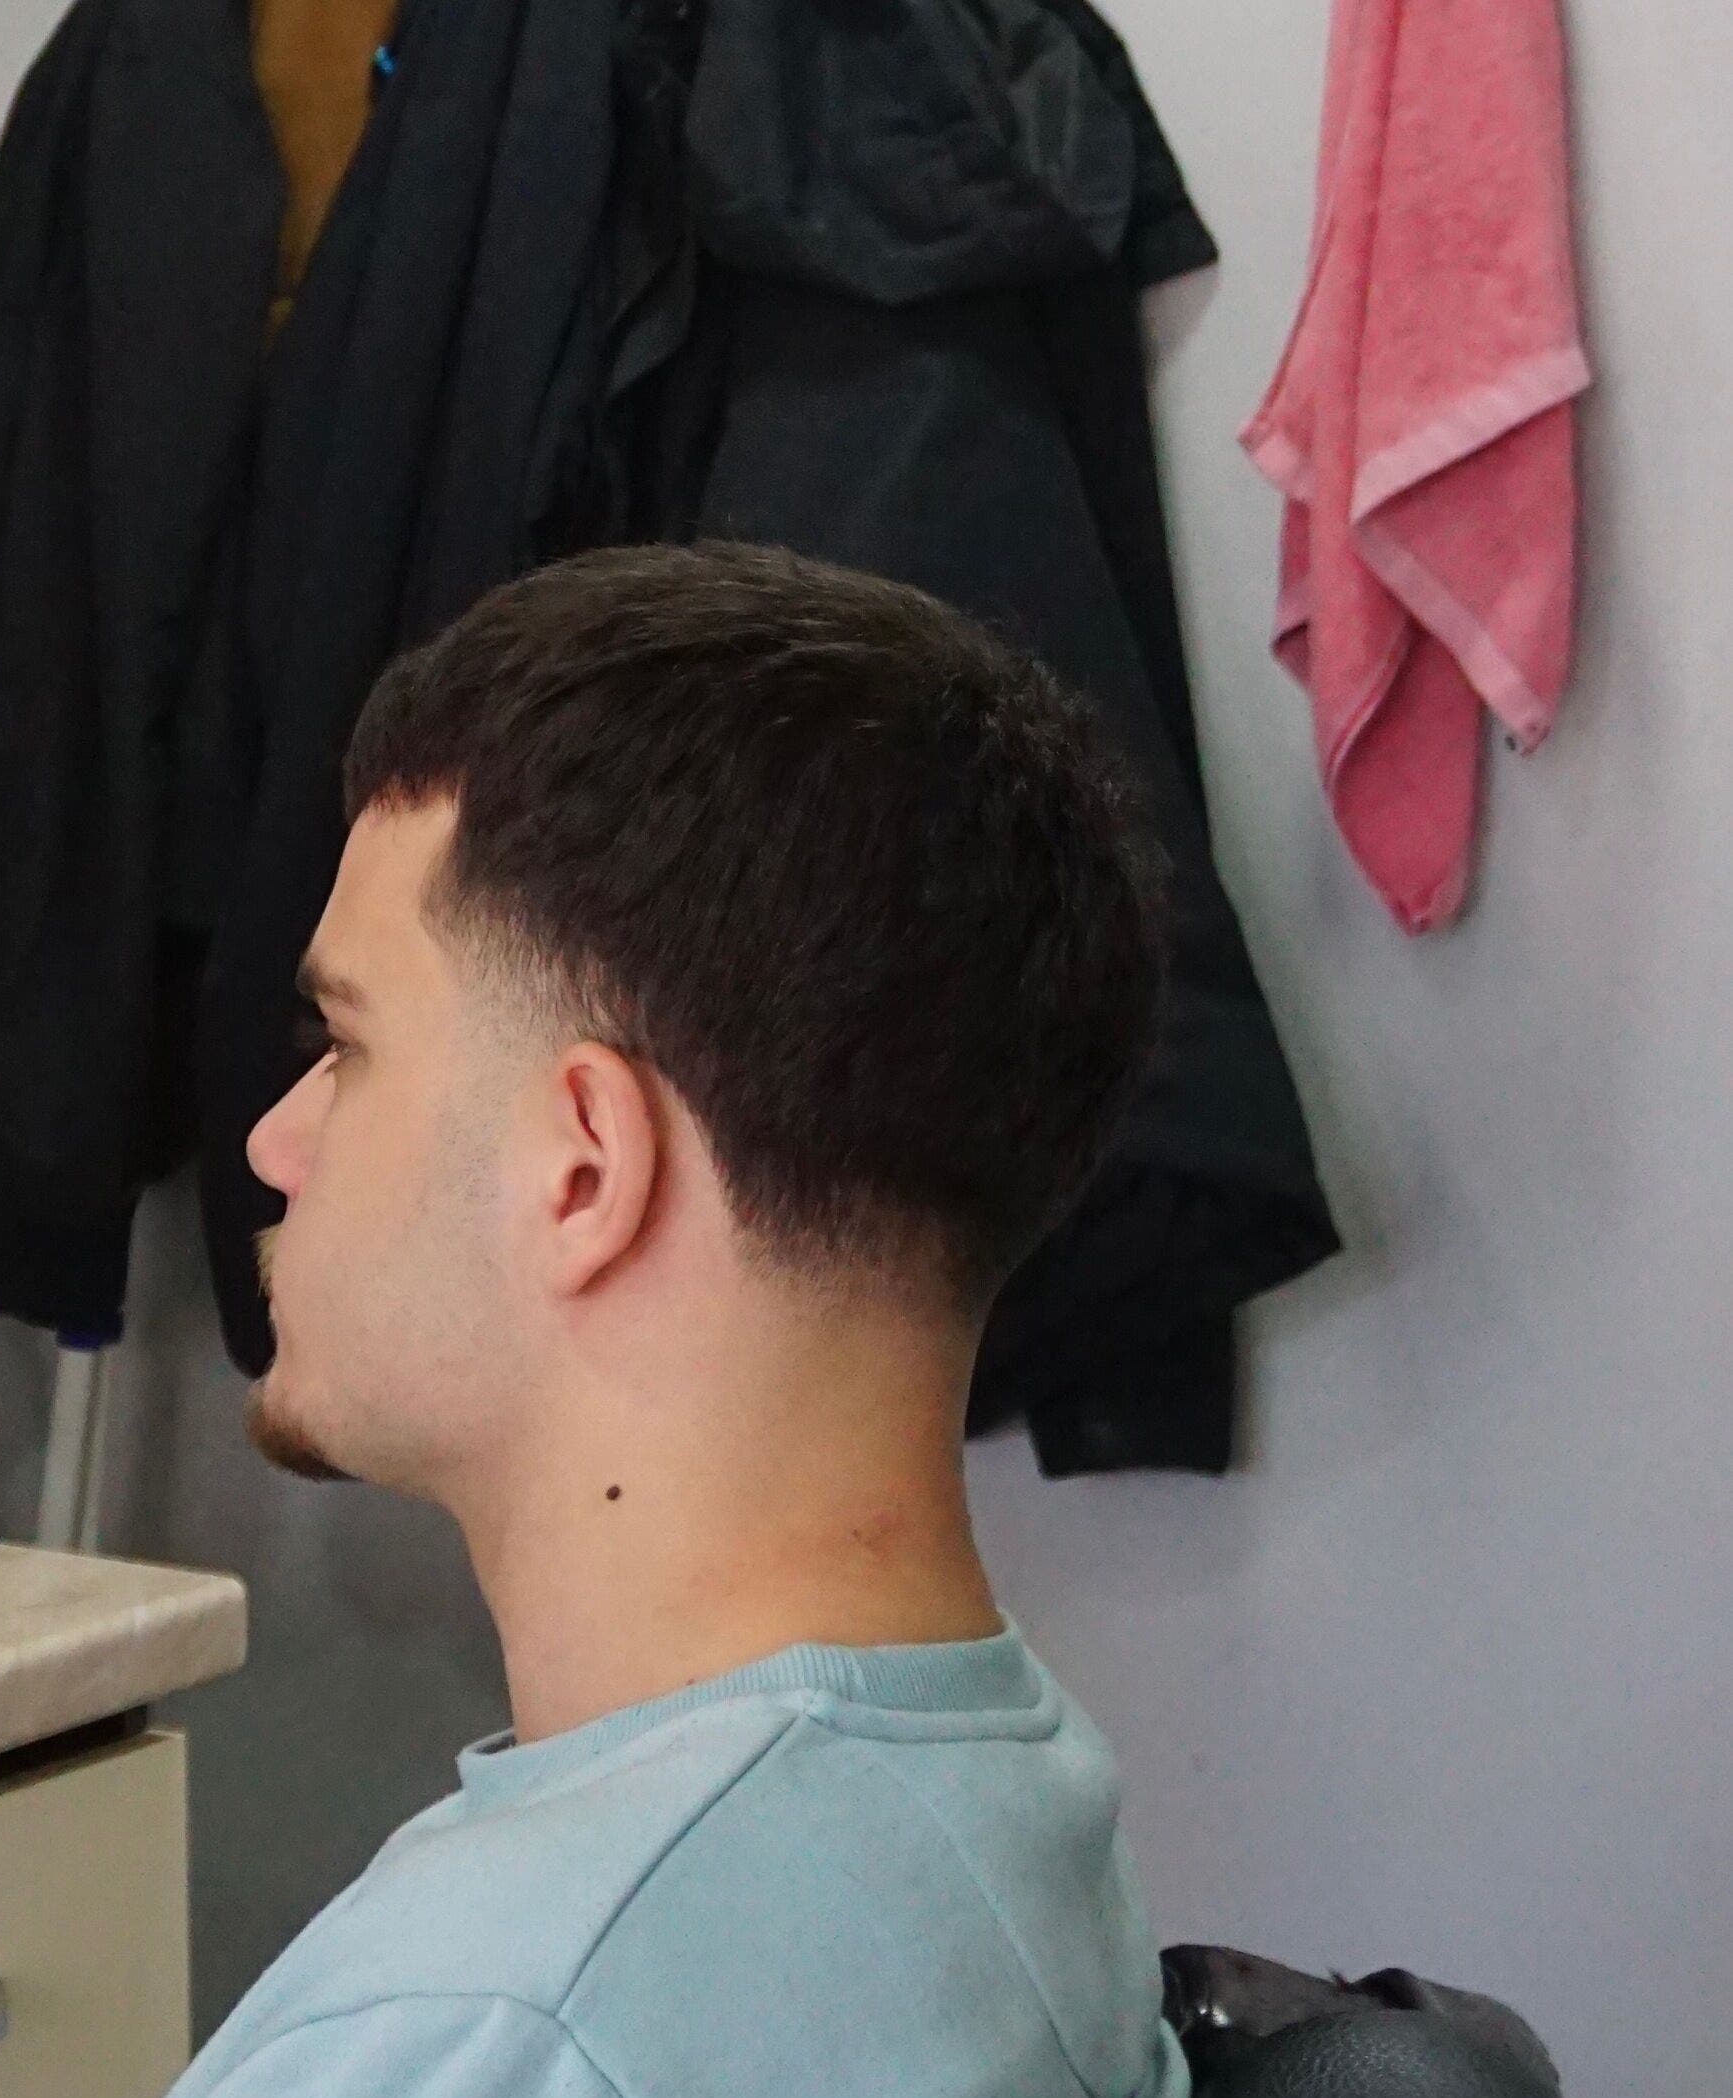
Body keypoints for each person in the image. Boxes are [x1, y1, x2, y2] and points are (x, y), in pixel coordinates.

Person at [180, 543, 1185, 2098]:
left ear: (584, 1167)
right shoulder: (1017, 1796)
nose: (276, 1138)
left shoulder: (502, 2028)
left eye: (346, 1042)